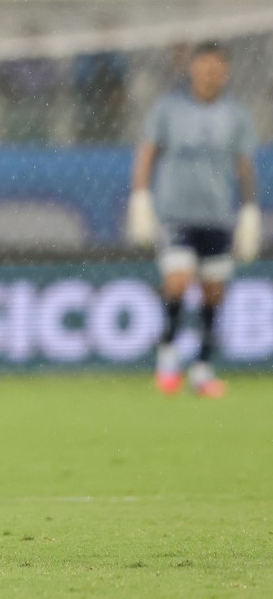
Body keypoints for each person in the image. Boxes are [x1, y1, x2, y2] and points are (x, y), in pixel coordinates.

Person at [126, 40, 261, 398]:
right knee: (178, 281)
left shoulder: (236, 114)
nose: (210, 73)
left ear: (225, 72)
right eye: (204, 67)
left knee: (214, 291)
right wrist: (140, 196)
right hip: (176, 214)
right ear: (193, 69)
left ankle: (202, 368)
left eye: (217, 68)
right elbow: (147, 151)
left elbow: (244, 164)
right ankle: (168, 354)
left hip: (217, 216)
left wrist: (249, 209)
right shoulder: (169, 109)